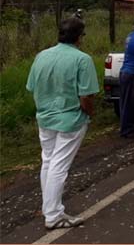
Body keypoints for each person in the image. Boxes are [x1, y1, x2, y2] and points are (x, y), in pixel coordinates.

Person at [26, 18, 98, 229]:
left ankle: (49, 207)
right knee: (59, 165)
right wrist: (89, 115)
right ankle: (54, 215)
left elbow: (32, 87)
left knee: (48, 160)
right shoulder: (82, 59)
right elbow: (86, 96)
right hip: (70, 119)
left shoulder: (42, 56)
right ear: (78, 36)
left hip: (45, 116)